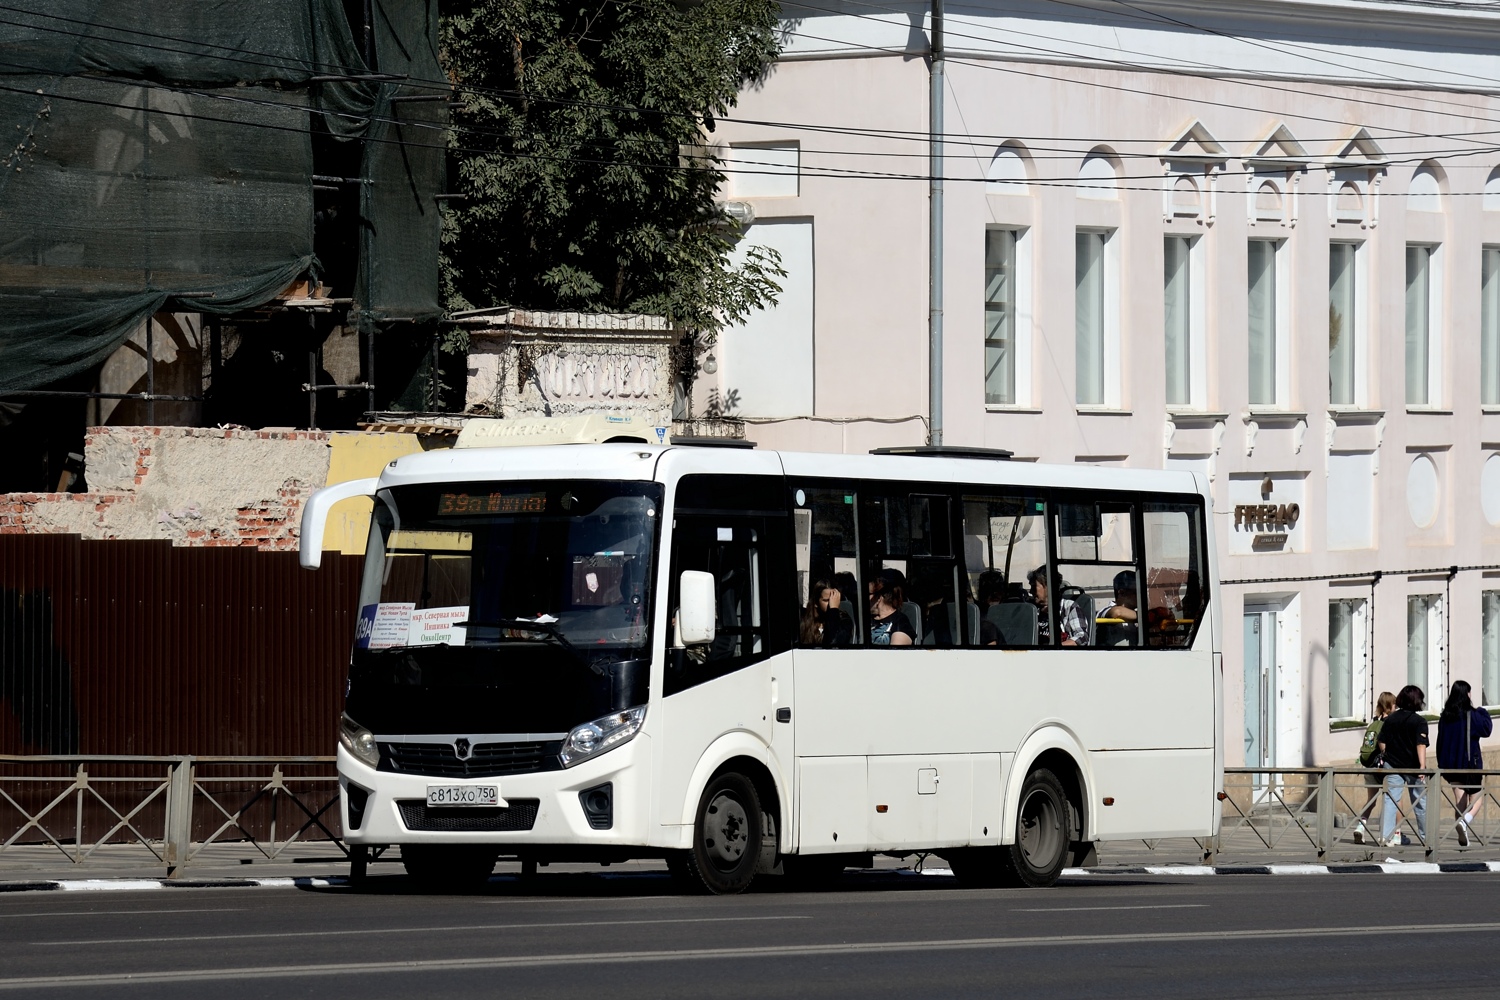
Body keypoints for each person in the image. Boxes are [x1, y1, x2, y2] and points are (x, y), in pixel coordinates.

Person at [1437, 679, 1493, 847]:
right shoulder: (1473, 714)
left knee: (1460, 800)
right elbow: (1487, 729)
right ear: (1466, 694)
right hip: (1470, 764)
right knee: (1478, 797)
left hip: (1451, 764)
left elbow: (1441, 740)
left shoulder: (1445, 716)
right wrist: (1483, 711)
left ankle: (1463, 832)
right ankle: (1465, 822)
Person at [1378, 685, 1430, 848]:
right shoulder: (1419, 721)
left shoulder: (1390, 719)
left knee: (1391, 799)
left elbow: (1382, 740)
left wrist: (1388, 754)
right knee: (1420, 802)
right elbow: (1420, 745)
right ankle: (1425, 837)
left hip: (1393, 765)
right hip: (1413, 767)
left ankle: (1385, 837)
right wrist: (1422, 766)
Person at [1352, 691, 1396, 844]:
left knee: (1371, 800)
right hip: (1383, 767)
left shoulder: (1373, 723)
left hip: (1369, 765)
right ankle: (1393, 834)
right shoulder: (1389, 724)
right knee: (1393, 799)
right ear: (1390, 706)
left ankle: (1360, 826)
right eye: (1394, 704)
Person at [1027, 565, 1087, 646]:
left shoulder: (1069, 607)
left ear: (1049, 586)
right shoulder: (1030, 609)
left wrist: (1055, 649)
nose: (1031, 591)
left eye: (1034, 587)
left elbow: (1081, 637)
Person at [799, 578, 853, 648]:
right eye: (826, 600)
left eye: (833, 600)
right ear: (816, 603)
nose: (831, 603)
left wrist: (833, 610)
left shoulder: (844, 621)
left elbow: (834, 643)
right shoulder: (805, 621)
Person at [869, 570, 916, 646]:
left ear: (879, 598)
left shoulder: (900, 623)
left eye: (868, 594)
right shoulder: (865, 620)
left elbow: (895, 655)